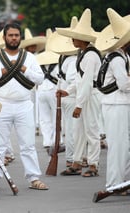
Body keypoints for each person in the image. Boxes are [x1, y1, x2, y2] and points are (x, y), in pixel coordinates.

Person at [0, 22, 49, 190]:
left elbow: (40, 79)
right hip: (1, 104)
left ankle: (34, 178)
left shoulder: (30, 58)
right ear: (4, 37)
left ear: (20, 38)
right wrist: (1, 72)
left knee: (28, 144)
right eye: (10, 35)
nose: (13, 38)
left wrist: (25, 70)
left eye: (16, 35)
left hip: (24, 105)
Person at [56, 8, 102, 177]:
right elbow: (78, 79)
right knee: (79, 130)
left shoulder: (90, 56)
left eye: (74, 37)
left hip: (91, 95)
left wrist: (79, 105)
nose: (72, 40)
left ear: (82, 39)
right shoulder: (82, 54)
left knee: (91, 130)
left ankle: (93, 164)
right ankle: (77, 162)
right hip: (84, 94)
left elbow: (88, 83)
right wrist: (67, 91)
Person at [95, 8, 130, 192]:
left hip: (120, 104)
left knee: (124, 146)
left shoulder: (121, 56)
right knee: (118, 146)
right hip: (116, 104)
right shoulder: (117, 58)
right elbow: (124, 85)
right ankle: (115, 183)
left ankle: (123, 182)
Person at [47, 16, 79, 167]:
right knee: (72, 130)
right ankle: (73, 158)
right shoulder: (70, 59)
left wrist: (64, 91)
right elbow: (70, 81)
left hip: (68, 96)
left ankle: (73, 158)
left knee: (71, 130)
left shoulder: (67, 59)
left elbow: (70, 81)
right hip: (69, 97)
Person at [35, 29, 63, 151]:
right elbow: (61, 77)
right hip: (54, 90)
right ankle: (58, 139)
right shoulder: (58, 60)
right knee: (56, 116)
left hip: (41, 90)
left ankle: (47, 140)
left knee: (44, 117)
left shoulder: (38, 60)